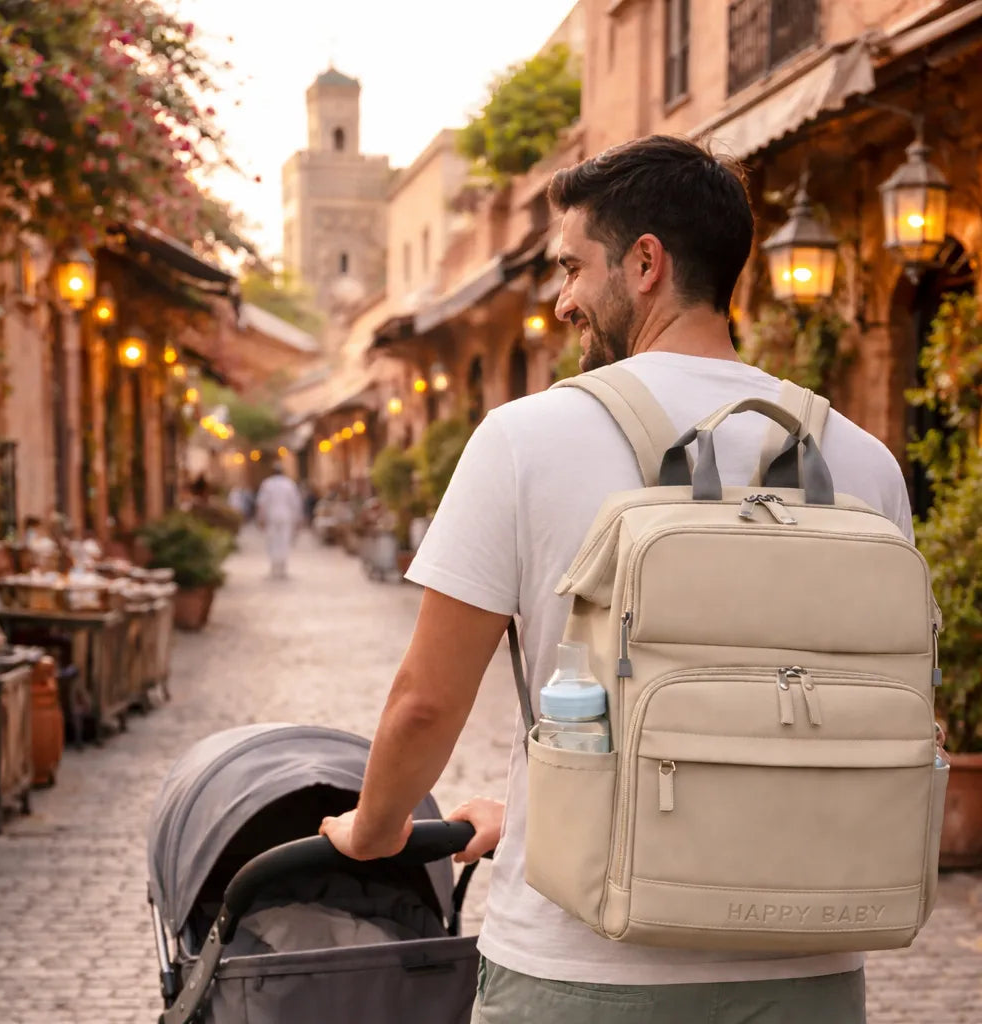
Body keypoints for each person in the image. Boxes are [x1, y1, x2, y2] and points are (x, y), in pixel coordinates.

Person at [320, 136, 912, 1023]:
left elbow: (426, 704)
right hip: (809, 966)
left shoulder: (523, 440)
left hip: (581, 967)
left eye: (571, 268)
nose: (561, 301)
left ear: (645, 264)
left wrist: (374, 831)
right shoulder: (863, 462)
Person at [254, 462, 304, 579]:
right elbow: (295, 503)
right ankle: (281, 564)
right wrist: (298, 518)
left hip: (272, 515)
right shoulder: (289, 484)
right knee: (284, 539)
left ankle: (275, 564)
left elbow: (261, 503)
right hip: (286, 516)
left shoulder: (267, 484)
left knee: (273, 540)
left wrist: (260, 518)